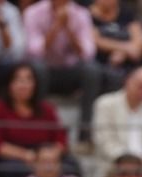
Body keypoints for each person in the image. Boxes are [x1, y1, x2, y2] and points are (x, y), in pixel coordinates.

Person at [0, 62, 67, 177]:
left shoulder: (47, 108)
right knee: (12, 169)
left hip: (46, 154)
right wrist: (26, 155)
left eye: (28, 80)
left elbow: (60, 139)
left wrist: (49, 157)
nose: (23, 85)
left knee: (70, 166)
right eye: (18, 80)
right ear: (9, 85)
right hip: (14, 156)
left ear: (35, 84)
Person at [24, 0, 100, 139]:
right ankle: (38, 128)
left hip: (69, 72)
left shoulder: (81, 14)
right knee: (36, 68)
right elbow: (34, 51)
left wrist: (69, 29)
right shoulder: (33, 12)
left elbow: (88, 54)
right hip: (44, 71)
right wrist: (56, 26)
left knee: (92, 70)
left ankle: (85, 133)